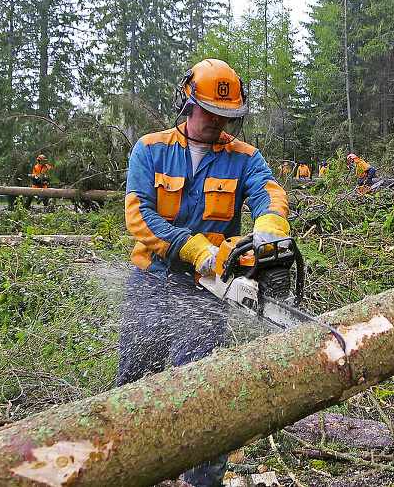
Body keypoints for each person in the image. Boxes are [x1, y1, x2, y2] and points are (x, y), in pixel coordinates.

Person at [120, 58, 289, 487]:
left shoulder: (245, 158)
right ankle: (130, 467)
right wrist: (192, 247)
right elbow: (140, 215)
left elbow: (269, 195)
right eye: (209, 111)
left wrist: (268, 232)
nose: (216, 121)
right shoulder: (151, 148)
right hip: (152, 281)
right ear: (188, 101)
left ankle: (202, 480)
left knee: (203, 391)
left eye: (226, 115)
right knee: (135, 380)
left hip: (208, 292)